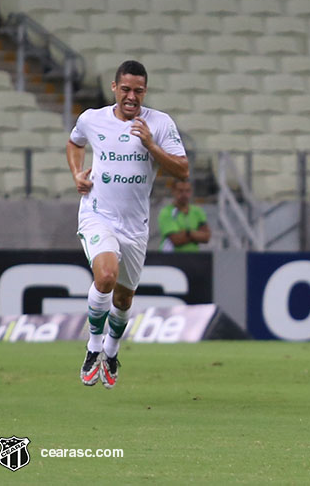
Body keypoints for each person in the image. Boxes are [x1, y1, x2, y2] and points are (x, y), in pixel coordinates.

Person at [67, 60, 189, 389]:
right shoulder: (92, 119)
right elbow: (75, 142)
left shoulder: (160, 124)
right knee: (104, 277)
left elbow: (182, 170)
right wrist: (77, 173)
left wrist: (151, 145)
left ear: (145, 91)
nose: (131, 96)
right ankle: (93, 350)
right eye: (125, 89)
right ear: (114, 88)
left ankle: (111, 350)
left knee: (123, 301)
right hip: (97, 214)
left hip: (135, 226)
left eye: (138, 90)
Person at [158, 179, 211, 252]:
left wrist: (188, 233)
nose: (184, 194)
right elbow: (176, 240)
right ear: (173, 191)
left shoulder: (198, 211)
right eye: (180, 191)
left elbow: (206, 237)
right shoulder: (166, 212)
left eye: (187, 191)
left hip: (194, 258)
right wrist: (196, 235)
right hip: (170, 257)